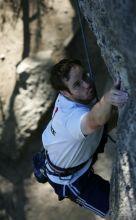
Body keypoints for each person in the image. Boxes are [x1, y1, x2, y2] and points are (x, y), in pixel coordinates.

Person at [42, 59, 128, 218]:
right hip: (73, 179)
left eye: (84, 76)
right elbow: (95, 120)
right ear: (65, 93)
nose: (86, 84)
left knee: (111, 117)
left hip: (68, 153)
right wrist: (107, 99)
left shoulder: (67, 100)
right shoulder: (71, 117)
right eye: (77, 85)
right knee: (118, 213)